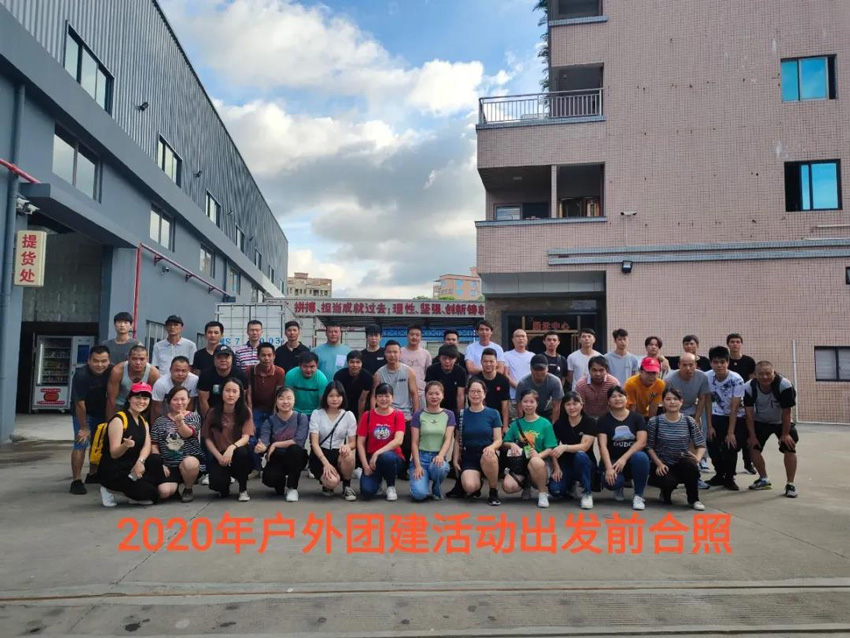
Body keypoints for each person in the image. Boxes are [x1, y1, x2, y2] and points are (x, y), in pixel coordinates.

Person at [97, 383, 163, 507]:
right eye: (137, 397)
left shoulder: (143, 421)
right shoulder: (119, 420)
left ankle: (133, 493)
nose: (141, 402)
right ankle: (108, 489)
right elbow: (114, 454)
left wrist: (140, 462)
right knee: (150, 494)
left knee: (156, 461)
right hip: (116, 469)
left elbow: (147, 446)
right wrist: (125, 445)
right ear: (129, 399)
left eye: (145, 398)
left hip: (133, 466)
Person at [744, 361, 800, 497]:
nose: (765, 377)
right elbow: (749, 413)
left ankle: (790, 484)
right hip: (760, 421)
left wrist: (785, 434)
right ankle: (764, 479)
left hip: (781, 421)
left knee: (789, 447)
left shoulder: (784, 385)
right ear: (755, 375)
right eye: (761, 374)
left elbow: (787, 411)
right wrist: (752, 435)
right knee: (752, 446)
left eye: (768, 373)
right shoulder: (749, 387)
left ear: (774, 373)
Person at [646, 387, 707, 510]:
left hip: (682, 461)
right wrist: (659, 464)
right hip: (662, 463)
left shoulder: (689, 421)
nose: (672, 402)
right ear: (663, 402)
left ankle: (694, 499)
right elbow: (649, 447)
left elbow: (701, 444)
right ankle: (665, 493)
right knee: (668, 481)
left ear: (681, 402)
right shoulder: (654, 422)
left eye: (675, 399)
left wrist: (697, 459)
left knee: (691, 466)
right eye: (668, 399)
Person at [501, 389, 558, 508]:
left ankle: (542, 493)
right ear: (521, 403)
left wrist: (538, 455)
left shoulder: (545, 424)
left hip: (540, 462)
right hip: (521, 462)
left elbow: (551, 448)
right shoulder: (516, 424)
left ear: (537, 404)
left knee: (535, 461)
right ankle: (526, 485)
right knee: (508, 486)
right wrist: (512, 444)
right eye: (525, 401)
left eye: (532, 402)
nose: (528, 405)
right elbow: (505, 442)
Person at [597, 385, 650, 510]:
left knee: (641, 457)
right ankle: (618, 486)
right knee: (612, 482)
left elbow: (642, 442)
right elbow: (602, 445)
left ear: (627, 399)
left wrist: (624, 458)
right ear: (608, 401)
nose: (617, 399)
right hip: (612, 459)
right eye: (613, 396)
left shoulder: (637, 418)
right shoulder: (603, 419)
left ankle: (638, 495)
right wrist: (609, 468)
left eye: (620, 396)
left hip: (631, 460)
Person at [201, 377, 253, 502]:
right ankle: (225, 485)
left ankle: (243, 489)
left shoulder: (245, 411)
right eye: (227, 390)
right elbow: (207, 438)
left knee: (242, 452)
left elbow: (246, 436)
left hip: (238, 453)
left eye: (235, 391)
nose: (231, 394)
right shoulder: (212, 412)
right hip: (220, 455)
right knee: (217, 485)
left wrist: (232, 448)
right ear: (221, 392)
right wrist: (219, 456)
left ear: (240, 394)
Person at [453, 378, 503, 506]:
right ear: (467, 393)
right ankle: (477, 482)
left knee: (489, 456)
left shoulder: (493, 413)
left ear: (484, 394)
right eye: (472, 391)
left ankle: (493, 490)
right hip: (469, 456)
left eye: (479, 391)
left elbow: (498, 439)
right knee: (470, 487)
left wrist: (492, 447)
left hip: (487, 454)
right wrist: (455, 459)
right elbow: (457, 439)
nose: (475, 394)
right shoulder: (462, 414)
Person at [69, 345, 112, 494]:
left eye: (103, 361)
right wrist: (84, 427)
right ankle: (76, 480)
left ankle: (93, 474)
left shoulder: (112, 371)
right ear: (89, 361)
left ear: (109, 361)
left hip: (101, 411)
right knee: (81, 442)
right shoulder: (81, 375)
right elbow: (80, 404)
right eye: (96, 361)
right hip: (83, 412)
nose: (100, 365)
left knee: (98, 443)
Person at [150, 386, 204, 503]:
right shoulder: (159, 421)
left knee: (190, 463)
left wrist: (180, 422)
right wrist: (159, 463)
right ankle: (174, 489)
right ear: (169, 401)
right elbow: (154, 444)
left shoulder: (194, 416)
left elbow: (187, 434)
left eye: (183, 399)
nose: (179, 403)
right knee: (164, 492)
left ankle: (188, 489)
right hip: (168, 464)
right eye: (175, 399)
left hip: (189, 462)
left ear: (188, 400)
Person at [663, 352, 712, 480]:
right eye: (684, 365)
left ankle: (694, 473)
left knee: (694, 442)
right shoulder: (670, 380)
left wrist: (696, 418)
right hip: (674, 410)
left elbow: (702, 398)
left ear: (696, 365)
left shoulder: (702, 377)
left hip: (692, 409)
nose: (688, 368)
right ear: (679, 365)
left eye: (691, 365)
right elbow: (666, 401)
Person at [255, 386, 309, 501]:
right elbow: (264, 440)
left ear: (294, 400)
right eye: (281, 398)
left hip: (296, 457)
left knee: (295, 449)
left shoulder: (301, 418)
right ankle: (280, 483)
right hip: (277, 457)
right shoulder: (269, 421)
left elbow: (298, 441)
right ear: (276, 401)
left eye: (289, 398)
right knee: (269, 478)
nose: (285, 402)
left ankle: (292, 488)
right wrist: (261, 447)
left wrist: (275, 444)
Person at [705, 345, 746, 491]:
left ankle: (729, 477)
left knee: (730, 445)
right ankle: (719, 474)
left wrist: (730, 432)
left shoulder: (737, 379)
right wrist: (709, 426)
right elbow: (707, 402)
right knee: (711, 443)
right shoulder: (707, 377)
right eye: (716, 362)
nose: (719, 365)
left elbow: (734, 407)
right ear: (711, 363)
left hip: (736, 416)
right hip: (717, 414)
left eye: (722, 362)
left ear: (727, 362)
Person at [309, 382, 358, 501]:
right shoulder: (317, 414)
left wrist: (347, 446)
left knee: (349, 455)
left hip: (338, 452)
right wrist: (326, 463)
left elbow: (353, 442)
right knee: (332, 482)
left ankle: (347, 486)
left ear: (343, 397)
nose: (335, 399)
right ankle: (327, 484)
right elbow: (314, 443)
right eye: (331, 396)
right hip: (321, 455)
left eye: (338, 396)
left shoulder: (348, 415)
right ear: (325, 397)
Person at [373, 340, 419, 467]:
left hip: (406, 416)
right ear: (385, 354)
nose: (392, 355)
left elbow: (414, 394)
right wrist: (373, 415)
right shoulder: (379, 374)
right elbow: (374, 396)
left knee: (406, 445)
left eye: (395, 352)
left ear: (400, 353)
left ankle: (404, 470)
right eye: (389, 352)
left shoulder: (408, 372)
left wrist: (416, 415)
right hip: (386, 415)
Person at [357, 383, 406, 501]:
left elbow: (399, 440)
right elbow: (360, 443)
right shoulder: (367, 415)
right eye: (380, 396)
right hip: (372, 460)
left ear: (392, 398)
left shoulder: (398, 415)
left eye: (387, 396)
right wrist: (365, 465)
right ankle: (377, 481)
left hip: (393, 458)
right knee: (367, 492)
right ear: (375, 398)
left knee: (387, 457)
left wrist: (377, 453)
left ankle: (390, 486)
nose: (383, 399)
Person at [410, 381, 457, 501]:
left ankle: (436, 486)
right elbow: (414, 442)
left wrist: (441, 455)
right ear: (425, 395)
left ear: (443, 395)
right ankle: (422, 482)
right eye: (430, 394)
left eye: (437, 393)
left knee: (440, 467)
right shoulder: (418, 415)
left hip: (438, 457)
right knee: (419, 495)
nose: (434, 397)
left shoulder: (449, 415)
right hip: (421, 457)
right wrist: (417, 466)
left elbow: (448, 439)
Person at [549, 392, 596, 509]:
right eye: (568, 404)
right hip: (566, 463)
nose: (572, 407)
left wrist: (565, 447)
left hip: (585, 463)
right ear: (563, 407)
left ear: (581, 405)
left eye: (575, 404)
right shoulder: (559, 424)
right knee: (555, 490)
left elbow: (584, 447)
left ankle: (587, 493)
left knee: (580, 455)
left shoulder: (589, 422)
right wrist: (556, 467)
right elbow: (552, 447)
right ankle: (569, 486)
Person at [246, 342, 286, 474]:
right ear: (258, 356)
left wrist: (275, 417)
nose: (266, 358)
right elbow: (248, 395)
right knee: (252, 438)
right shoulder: (250, 370)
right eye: (263, 355)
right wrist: (250, 417)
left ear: (274, 356)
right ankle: (256, 467)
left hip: (271, 410)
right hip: (255, 409)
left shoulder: (279, 372)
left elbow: (278, 395)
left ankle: (272, 467)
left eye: (269, 355)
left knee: (273, 437)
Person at [727, 332, 757, 475]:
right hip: (727, 401)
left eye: (738, 342)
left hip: (745, 402)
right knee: (730, 435)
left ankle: (748, 463)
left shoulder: (749, 361)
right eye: (732, 342)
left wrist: (746, 400)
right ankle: (729, 468)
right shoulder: (725, 361)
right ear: (728, 344)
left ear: (741, 344)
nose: (735, 344)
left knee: (746, 433)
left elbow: (751, 381)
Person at [106, 345, 160, 417]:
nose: (138, 362)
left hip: (141, 405)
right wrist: (109, 422)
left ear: (147, 359)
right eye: (134, 359)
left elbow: (155, 401)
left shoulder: (153, 373)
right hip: (121, 404)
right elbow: (111, 399)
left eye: (142, 359)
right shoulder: (118, 371)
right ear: (128, 358)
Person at [197, 345, 248, 416]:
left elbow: (243, 399)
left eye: (226, 357)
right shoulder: (205, 375)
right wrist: (209, 419)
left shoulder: (241, 375)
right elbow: (203, 401)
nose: (223, 360)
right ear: (214, 359)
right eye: (219, 357)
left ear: (232, 359)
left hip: (234, 412)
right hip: (212, 411)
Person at [516, 354, 565, 422]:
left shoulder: (555, 382)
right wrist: (522, 424)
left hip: (547, 411)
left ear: (547, 368)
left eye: (542, 369)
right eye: (536, 369)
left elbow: (556, 406)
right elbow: (520, 406)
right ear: (531, 369)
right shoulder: (523, 383)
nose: (539, 372)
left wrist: (554, 425)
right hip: (528, 411)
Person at [425, 345, 467, 421]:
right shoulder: (431, 370)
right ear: (439, 358)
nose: (447, 361)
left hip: (453, 406)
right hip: (436, 405)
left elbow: (460, 396)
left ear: (455, 359)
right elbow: (428, 392)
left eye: (450, 359)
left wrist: (460, 415)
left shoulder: (461, 372)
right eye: (444, 358)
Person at [474, 348, 511, 432]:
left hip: (498, 420)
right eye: (485, 361)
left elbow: (505, 405)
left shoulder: (503, 380)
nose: (488, 364)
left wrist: (505, 426)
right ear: (481, 362)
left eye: (491, 361)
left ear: (496, 363)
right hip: (480, 419)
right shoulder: (475, 380)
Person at [284, 351, 329, 416]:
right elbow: (286, 397)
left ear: (317, 365)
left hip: (314, 413)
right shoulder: (291, 375)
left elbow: (322, 403)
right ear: (299, 365)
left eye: (312, 366)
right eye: (305, 366)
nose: (308, 370)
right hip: (294, 411)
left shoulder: (322, 379)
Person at [333, 350, 373, 420]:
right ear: (347, 363)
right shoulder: (339, 376)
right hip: (344, 402)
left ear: (362, 363)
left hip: (361, 404)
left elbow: (362, 400)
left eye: (358, 362)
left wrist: (360, 420)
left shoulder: (367, 377)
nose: (355, 365)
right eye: (352, 362)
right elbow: (338, 396)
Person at [400, 324, 431, 404]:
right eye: (412, 334)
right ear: (407, 336)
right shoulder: (400, 352)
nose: (414, 337)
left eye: (417, 335)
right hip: (402, 393)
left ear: (421, 337)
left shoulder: (426, 354)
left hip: (421, 393)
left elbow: (429, 374)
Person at [504, 329, 535, 408]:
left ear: (527, 339)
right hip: (513, 396)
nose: (521, 338)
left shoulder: (532, 356)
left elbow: (535, 374)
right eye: (517, 336)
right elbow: (505, 374)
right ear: (513, 340)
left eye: (523, 336)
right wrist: (519, 387)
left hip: (530, 396)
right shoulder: (506, 355)